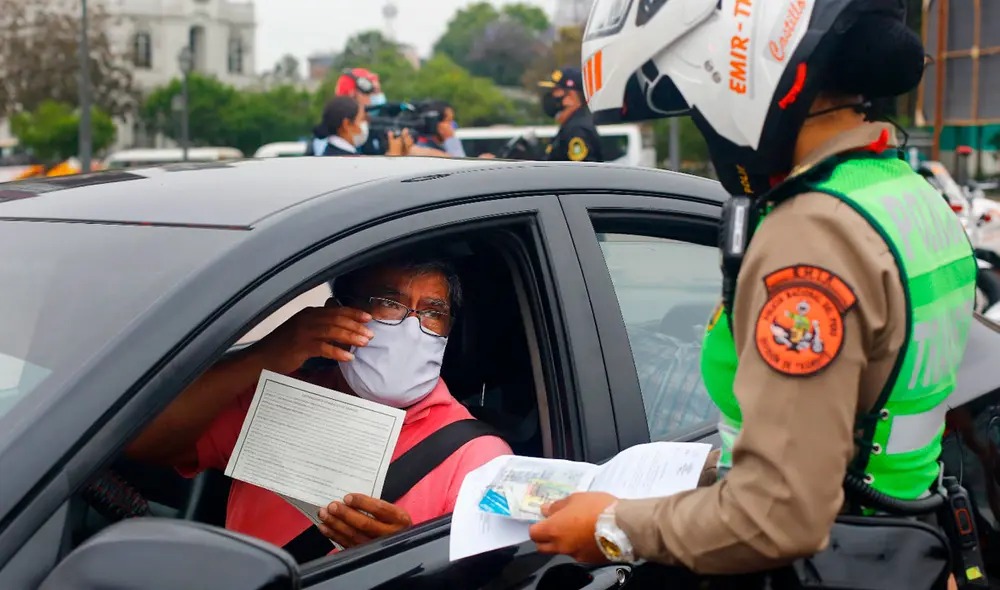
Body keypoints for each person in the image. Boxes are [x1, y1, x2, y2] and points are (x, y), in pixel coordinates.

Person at [529, 1, 977, 582]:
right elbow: (863, 414)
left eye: (693, 105)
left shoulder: (812, 232)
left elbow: (778, 515)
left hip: (818, 563)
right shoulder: (906, 194)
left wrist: (613, 526)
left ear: (731, 78)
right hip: (897, 547)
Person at [126, 255, 512, 553]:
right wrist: (262, 356)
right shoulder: (279, 399)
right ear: (337, 312)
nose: (412, 327)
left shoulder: (479, 459)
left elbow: (496, 574)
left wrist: (402, 554)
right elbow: (143, 440)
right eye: (387, 303)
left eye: (432, 312)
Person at [307, 68, 384, 156]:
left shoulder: (370, 132)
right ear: (352, 94)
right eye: (372, 92)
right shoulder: (324, 143)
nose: (374, 98)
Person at [537, 67, 603, 162]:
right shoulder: (570, 125)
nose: (551, 96)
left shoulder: (577, 130)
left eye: (556, 91)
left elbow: (580, 173)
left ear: (571, 96)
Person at [314, 96, 410, 157]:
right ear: (346, 125)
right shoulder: (342, 158)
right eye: (362, 119)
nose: (366, 124)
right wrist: (394, 156)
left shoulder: (333, 153)